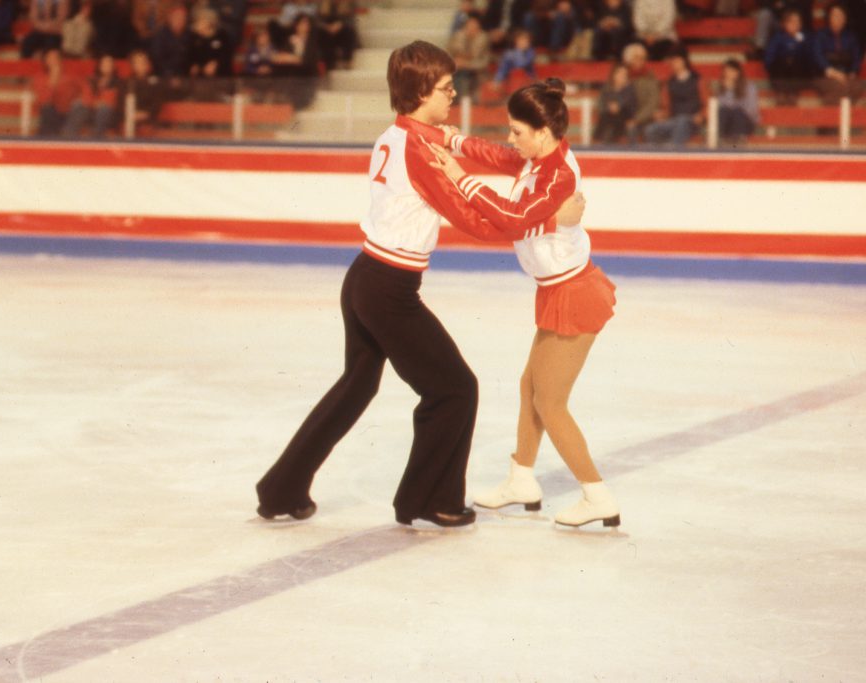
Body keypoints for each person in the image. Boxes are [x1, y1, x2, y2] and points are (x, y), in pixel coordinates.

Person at [254, 41, 586, 528]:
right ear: (421, 91)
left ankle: (280, 488)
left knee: (356, 387)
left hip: (365, 278)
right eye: (446, 88)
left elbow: (505, 160)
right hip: (388, 291)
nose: (454, 95)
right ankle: (430, 500)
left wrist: (489, 150)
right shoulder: (420, 150)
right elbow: (477, 222)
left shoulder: (400, 136)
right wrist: (554, 220)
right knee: (455, 390)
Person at [428, 78, 620, 529]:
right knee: (529, 387)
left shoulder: (560, 175)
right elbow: (500, 157)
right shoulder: (540, 156)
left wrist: (459, 177)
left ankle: (597, 496)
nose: (510, 139)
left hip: (575, 293)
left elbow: (512, 218)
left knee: (550, 402)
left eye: (517, 131)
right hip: (556, 290)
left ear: (543, 132)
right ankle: (522, 480)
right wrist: (453, 141)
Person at [643, 49, 703, 146]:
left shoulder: (697, 80)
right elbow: (665, 105)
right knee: (650, 129)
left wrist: (701, 115)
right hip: (673, 120)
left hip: (692, 121)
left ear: (683, 61)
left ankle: (674, 150)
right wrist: (661, 114)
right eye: (673, 61)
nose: (674, 63)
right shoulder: (669, 82)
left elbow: (707, 103)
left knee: (682, 120)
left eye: (676, 60)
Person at [33, 47, 91, 137]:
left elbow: (85, 88)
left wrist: (84, 100)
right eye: (50, 58)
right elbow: (45, 101)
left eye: (56, 58)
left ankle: (67, 134)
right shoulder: (40, 78)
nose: (53, 61)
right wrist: (53, 80)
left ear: (60, 60)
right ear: (45, 61)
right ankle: (50, 138)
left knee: (80, 106)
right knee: (47, 109)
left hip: (71, 112)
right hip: (53, 113)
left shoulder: (71, 74)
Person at [813, 3, 863, 103]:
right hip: (826, 76)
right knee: (837, 88)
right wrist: (833, 73)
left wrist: (852, 72)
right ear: (829, 17)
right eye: (835, 15)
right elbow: (817, 56)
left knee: (857, 86)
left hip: (847, 76)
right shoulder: (820, 35)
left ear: (845, 19)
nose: (838, 18)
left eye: (841, 16)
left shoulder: (851, 36)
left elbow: (856, 57)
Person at [764, 8, 816, 104]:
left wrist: (801, 42)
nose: (795, 24)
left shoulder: (805, 37)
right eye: (792, 21)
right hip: (781, 73)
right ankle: (781, 93)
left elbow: (810, 58)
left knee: (797, 62)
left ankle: (793, 92)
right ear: (785, 23)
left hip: (798, 74)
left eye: (798, 22)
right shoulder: (777, 37)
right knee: (781, 62)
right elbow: (769, 58)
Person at [621, 42, 660, 143]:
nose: (639, 61)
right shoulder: (621, 75)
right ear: (628, 60)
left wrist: (636, 119)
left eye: (642, 58)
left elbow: (653, 102)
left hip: (645, 118)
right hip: (623, 117)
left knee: (645, 130)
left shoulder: (650, 78)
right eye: (636, 58)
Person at [448, 11, 490, 101]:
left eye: (474, 25)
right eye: (469, 25)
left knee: (465, 75)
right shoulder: (458, 36)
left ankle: (465, 101)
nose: (471, 28)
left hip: (477, 71)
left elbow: (484, 62)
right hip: (457, 69)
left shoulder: (483, 39)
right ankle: (456, 100)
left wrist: (467, 64)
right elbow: (453, 54)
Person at [715, 58, 758, 144]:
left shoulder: (749, 86)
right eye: (727, 71)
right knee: (723, 111)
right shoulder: (720, 87)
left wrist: (734, 108)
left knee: (737, 111)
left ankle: (738, 140)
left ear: (738, 72)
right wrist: (728, 90)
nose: (729, 74)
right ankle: (720, 139)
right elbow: (720, 106)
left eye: (732, 71)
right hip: (727, 120)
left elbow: (751, 109)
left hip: (745, 121)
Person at [594, 62, 637, 144]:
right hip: (608, 116)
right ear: (614, 75)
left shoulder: (630, 89)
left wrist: (619, 105)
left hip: (625, 117)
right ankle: (600, 144)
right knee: (606, 119)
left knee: (622, 121)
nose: (622, 76)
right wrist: (609, 107)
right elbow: (601, 104)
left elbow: (631, 106)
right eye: (620, 73)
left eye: (624, 74)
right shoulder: (607, 88)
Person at [90, 53, 122, 136]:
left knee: (104, 109)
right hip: (91, 110)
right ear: (99, 65)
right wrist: (93, 103)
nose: (106, 65)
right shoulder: (92, 80)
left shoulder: (118, 82)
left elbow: (113, 101)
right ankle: (68, 135)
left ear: (113, 66)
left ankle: (96, 137)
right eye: (104, 63)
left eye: (109, 63)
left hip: (110, 113)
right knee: (78, 105)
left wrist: (99, 103)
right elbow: (86, 96)